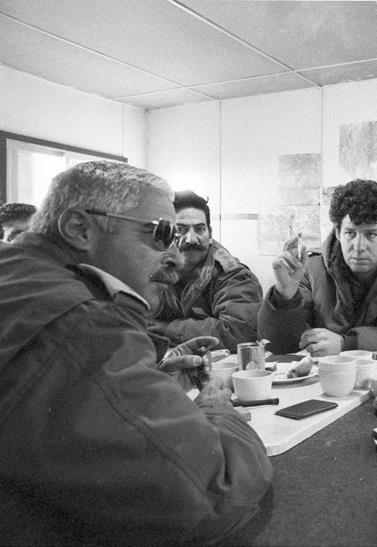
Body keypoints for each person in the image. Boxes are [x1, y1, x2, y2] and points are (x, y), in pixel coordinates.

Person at [0, 162, 273, 544]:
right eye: (161, 234)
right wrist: (216, 408)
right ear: (79, 228)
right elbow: (219, 494)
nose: (176, 256)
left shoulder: (20, 276)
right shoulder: (84, 325)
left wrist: (149, 380)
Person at [259, 179, 377, 365]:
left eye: (371, 234)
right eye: (350, 233)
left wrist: (348, 345)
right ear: (338, 232)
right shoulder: (311, 268)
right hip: (329, 378)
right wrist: (285, 296)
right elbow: (279, 345)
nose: (359, 246)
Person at [150, 190, 263, 352]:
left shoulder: (232, 275)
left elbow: (237, 333)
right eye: (181, 229)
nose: (191, 239)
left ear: (210, 234)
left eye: (199, 229)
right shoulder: (152, 267)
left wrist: (165, 328)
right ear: (167, 234)